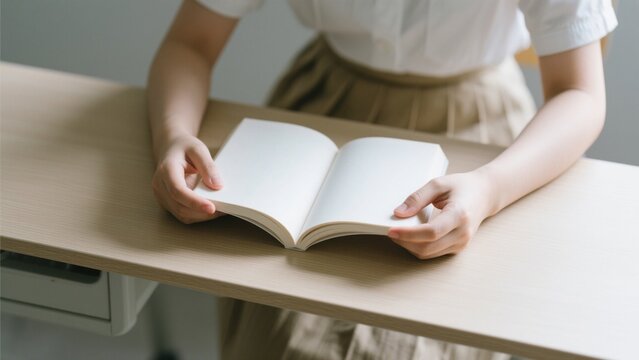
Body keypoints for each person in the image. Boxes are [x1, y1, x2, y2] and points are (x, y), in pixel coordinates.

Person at [147, 0, 617, 358]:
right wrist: (173, 135)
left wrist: (490, 189)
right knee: (283, 331)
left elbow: (580, 92)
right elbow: (191, 41)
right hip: (321, 114)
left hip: (485, 147)